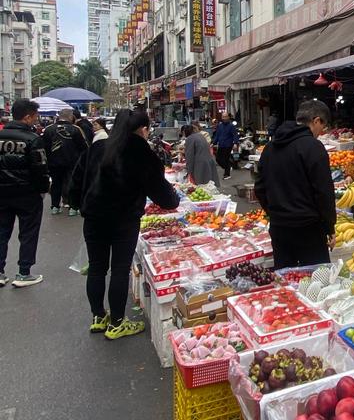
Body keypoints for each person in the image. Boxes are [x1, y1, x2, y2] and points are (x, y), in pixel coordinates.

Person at [80, 106, 179, 338]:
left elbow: (79, 181)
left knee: (97, 267)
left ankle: (98, 317)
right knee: (119, 269)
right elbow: (162, 194)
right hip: (123, 220)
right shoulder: (141, 152)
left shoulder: (98, 147)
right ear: (143, 129)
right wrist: (174, 199)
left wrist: (84, 205)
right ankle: (117, 323)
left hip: (93, 218)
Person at [254, 99, 336, 268]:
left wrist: (275, 213)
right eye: (323, 127)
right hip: (309, 229)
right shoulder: (313, 147)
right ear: (316, 121)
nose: (322, 132)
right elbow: (324, 193)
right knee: (316, 279)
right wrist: (329, 227)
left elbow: (260, 188)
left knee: (285, 280)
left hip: (279, 229)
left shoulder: (270, 147)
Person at [0, 98, 50, 287]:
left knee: (1, 231)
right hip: (27, 193)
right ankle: (23, 273)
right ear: (28, 117)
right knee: (28, 232)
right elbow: (40, 168)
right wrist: (43, 189)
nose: (36, 120)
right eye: (35, 117)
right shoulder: (33, 139)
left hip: (2, 193)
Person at [42, 107, 86, 216]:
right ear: (71, 117)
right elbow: (83, 147)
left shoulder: (48, 129)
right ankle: (72, 207)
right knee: (71, 183)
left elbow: (44, 147)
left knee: (56, 184)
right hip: (72, 162)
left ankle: (55, 206)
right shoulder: (75, 129)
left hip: (53, 162)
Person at [184, 121, 220, 186]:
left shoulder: (190, 138)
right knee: (209, 183)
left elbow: (189, 156)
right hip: (208, 160)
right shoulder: (200, 135)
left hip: (200, 163)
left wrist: (189, 170)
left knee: (201, 184)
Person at [212, 112, 239, 179]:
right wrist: (213, 143)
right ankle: (228, 167)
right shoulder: (219, 126)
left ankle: (227, 174)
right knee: (218, 159)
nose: (224, 118)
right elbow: (217, 135)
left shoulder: (231, 126)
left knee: (226, 159)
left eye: (226, 116)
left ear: (228, 117)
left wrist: (235, 143)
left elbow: (235, 135)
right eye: (223, 117)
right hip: (221, 145)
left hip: (228, 145)